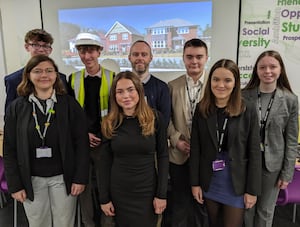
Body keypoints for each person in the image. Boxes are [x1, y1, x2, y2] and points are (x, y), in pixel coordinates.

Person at [3, 55, 90, 227]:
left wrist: (80, 178)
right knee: (37, 223)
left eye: (49, 71)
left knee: (64, 223)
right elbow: (9, 148)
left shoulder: (69, 105)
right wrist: (15, 185)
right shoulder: (17, 107)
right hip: (31, 179)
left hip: (63, 178)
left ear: (56, 75)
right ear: (28, 75)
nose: (44, 75)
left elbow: (81, 144)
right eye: (38, 71)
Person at [189, 59, 262, 227]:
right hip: (209, 179)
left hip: (236, 181)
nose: (221, 85)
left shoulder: (247, 109)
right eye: (216, 79)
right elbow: (195, 149)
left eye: (227, 80)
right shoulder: (201, 109)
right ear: (210, 81)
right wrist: (195, 183)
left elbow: (254, 152)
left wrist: (252, 190)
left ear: (235, 83)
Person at [98, 71, 169, 227]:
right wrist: (104, 198)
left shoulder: (155, 118)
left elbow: (163, 156)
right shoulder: (109, 122)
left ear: (139, 91)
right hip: (119, 192)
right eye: (120, 91)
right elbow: (103, 163)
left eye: (131, 89)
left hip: (147, 192)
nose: (126, 96)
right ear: (114, 96)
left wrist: (161, 194)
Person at [243, 50, 299, 227]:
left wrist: (287, 173)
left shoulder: (290, 99)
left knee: (265, 211)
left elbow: (291, 140)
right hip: (246, 162)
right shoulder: (244, 95)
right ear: (256, 70)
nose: (268, 71)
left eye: (273, 66)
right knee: (246, 207)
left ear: (280, 69)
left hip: (273, 165)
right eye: (262, 67)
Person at [67, 32, 115, 227]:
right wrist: (83, 135)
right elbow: (70, 114)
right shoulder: (73, 79)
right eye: (82, 51)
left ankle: (108, 223)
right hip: (81, 143)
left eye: (91, 51)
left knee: (106, 188)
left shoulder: (113, 77)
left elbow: (116, 111)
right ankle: (88, 224)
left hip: (105, 142)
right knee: (83, 188)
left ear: (99, 52)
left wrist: (103, 134)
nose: (87, 56)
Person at [167, 38, 209, 226]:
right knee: (180, 204)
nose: (194, 61)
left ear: (206, 58)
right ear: (183, 59)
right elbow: (165, 119)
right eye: (189, 57)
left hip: (206, 157)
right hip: (179, 155)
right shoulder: (172, 86)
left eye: (199, 57)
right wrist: (176, 140)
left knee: (203, 206)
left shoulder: (215, 85)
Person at [4, 28, 67, 112]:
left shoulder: (61, 78)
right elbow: (10, 115)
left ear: (50, 50)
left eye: (45, 46)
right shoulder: (13, 80)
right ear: (27, 47)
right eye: (36, 45)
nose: (41, 50)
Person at [128, 40, 171, 127]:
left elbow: (164, 123)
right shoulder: (120, 87)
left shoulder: (162, 88)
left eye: (144, 55)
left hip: (153, 139)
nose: (140, 58)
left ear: (151, 58)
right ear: (129, 58)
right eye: (135, 54)